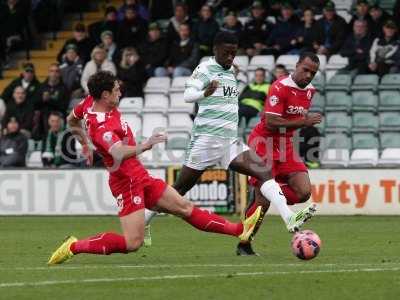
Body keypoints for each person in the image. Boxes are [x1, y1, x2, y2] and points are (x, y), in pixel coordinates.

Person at [47, 71, 263, 264]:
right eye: (115, 90)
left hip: (139, 175)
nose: (120, 92)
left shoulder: (88, 102)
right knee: (133, 243)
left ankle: (241, 230)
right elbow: (118, 152)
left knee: (184, 208)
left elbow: (71, 120)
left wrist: (84, 145)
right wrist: (145, 145)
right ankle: (74, 246)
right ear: (104, 95)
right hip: (125, 182)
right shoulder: (101, 125)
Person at [167, 32, 316, 237]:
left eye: (233, 53)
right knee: (178, 191)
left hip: (230, 141)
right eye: (227, 53)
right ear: (215, 49)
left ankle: (289, 216)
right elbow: (187, 95)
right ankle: (145, 219)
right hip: (208, 142)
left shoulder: (229, 71)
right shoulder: (205, 68)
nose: (230, 57)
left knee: (265, 173)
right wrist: (204, 93)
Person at [235, 52, 321, 256]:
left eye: (313, 73)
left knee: (303, 192)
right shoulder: (279, 87)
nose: (308, 75)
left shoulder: (310, 91)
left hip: (285, 146)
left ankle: (270, 191)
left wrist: (301, 122)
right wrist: (304, 121)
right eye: (305, 70)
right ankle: (244, 244)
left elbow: (291, 121)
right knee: (262, 203)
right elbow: (271, 121)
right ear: (297, 65)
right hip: (263, 143)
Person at [32, 63, 69, 140]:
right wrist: (42, 99)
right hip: (43, 115)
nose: (54, 74)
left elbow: (64, 106)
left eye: (56, 71)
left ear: (59, 74)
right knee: (42, 115)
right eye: (52, 71)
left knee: (51, 117)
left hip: (59, 115)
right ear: (48, 73)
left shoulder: (64, 88)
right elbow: (35, 104)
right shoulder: (41, 87)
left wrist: (50, 100)